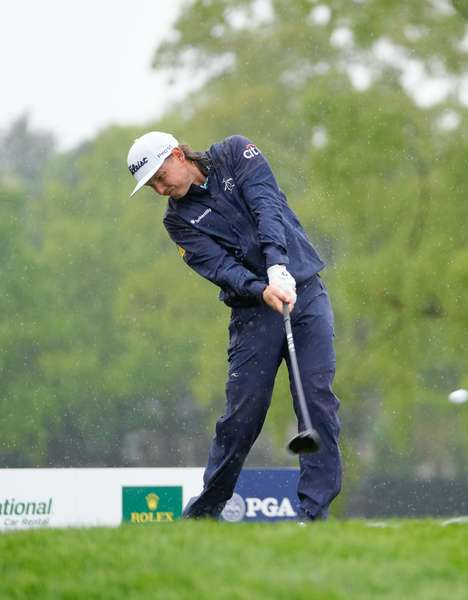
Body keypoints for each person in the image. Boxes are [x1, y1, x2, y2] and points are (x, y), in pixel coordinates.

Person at [126, 131, 342, 521]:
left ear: (177, 154)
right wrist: (262, 289)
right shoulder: (178, 221)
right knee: (241, 418)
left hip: (303, 292)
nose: (160, 189)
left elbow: (267, 207)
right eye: (152, 186)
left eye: (160, 177)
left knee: (316, 400)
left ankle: (314, 515)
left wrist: (278, 264)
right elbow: (221, 268)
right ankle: (206, 512)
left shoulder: (235, 153)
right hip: (253, 314)